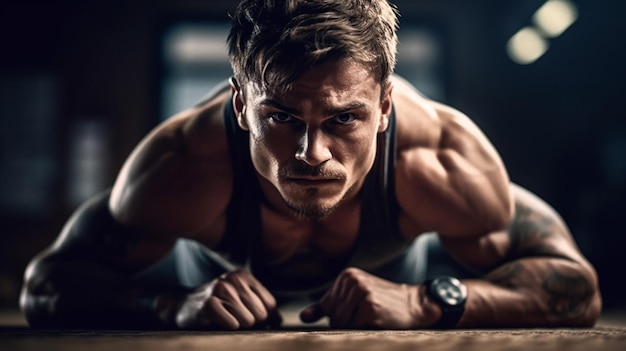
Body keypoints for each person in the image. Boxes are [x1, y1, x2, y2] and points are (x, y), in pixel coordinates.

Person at [20, 0, 601, 330]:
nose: (311, 154)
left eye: (344, 119)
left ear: (385, 107)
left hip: (394, 288)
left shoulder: (439, 161)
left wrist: (429, 300)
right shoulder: (182, 165)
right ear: (242, 104)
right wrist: (170, 304)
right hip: (213, 289)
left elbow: (576, 289)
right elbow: (45, 288)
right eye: (282, 118)